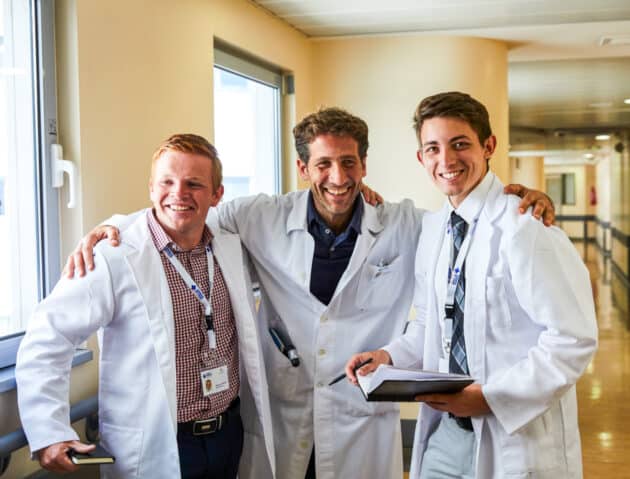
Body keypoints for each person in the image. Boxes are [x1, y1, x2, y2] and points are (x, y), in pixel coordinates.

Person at [65, 108, 554, 479]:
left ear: (364, 164)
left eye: (348, 162)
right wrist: (112, 228)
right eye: (323, 164)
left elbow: (461, 225)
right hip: (281, 409)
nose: (337, 178)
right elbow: (179, 213)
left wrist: (517, 199)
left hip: (360, 411)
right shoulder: (259, 216)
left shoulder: (404, 224)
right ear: (303, 168)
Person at [345, 92, 598, 478]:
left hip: (514, 434)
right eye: (433, 148)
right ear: (421, 158)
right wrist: (389, 357)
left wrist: (491, 399)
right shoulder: (434, 229)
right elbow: (431, 323)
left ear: (488, 145)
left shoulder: (526, 227)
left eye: (460, 144)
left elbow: (572, 338)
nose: (446, 160)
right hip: (448, 432)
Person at [16, 134, 275, 479]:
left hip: (227, 433)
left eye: (194, 184)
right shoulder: (113, 256)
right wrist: (49, 432)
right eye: (167, 181)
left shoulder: (227, 246)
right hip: (161, 441)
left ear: (216, 195)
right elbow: (48, 337)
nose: (179, 193)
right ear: (151, 188)